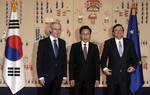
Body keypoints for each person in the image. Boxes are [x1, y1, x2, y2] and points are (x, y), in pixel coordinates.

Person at [101, 24, 137, 95]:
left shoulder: (129, 42)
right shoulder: (108, 43)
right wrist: (105, 69)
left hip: (125, 77)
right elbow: (103, 58)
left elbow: (134, 58)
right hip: (112, 77)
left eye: (120, 30)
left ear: (123, 32)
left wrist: (133, 66)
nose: (119, 31)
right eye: (116, 30)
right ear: (113, 33)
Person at [36, 21, 67, 95]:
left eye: (59, 29)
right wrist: (40, 76)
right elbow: (39, 60)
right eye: (55, 29)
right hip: (46, 77)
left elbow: (64, 60)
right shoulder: (43, 42)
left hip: (58, 76)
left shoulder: (62, 42)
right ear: (50, 29)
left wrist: (64, 75)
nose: (58, 31)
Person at [69, 25, 100, 95]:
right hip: (77, 79)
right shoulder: (74, 47)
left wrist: (97, 79)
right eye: (83, 34)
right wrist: (71, 78)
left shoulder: (94, 47)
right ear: (80, 35)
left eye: (87, 34)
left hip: (90, 79)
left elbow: (97, 64)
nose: (85, 36)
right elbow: (71, 64)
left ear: (90, 35)